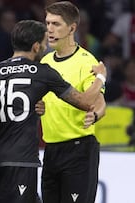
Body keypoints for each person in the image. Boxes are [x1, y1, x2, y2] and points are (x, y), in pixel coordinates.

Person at [0, 20, 107, 203]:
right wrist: (100, 77)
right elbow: (86, 102)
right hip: (21, 159)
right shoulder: (43, 72)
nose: (46, 47)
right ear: (36, 46)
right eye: (45, 42)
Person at [40, 2, 107, 203]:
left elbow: (100, 101)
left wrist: (95, 114)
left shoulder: (87, 62)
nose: (50, 30)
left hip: (78, 149)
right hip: (50, 149)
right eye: (48, 23)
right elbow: (43, 100)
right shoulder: (45, 63)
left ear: (72, 28)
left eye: (56, 24)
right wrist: (40, 106)